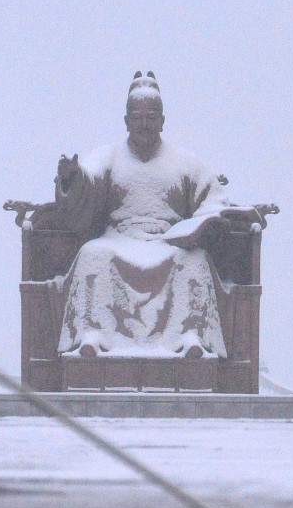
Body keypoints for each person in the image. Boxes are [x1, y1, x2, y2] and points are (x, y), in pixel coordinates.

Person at [54, 71, 233, 360]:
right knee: (92, 254)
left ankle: (191, 338)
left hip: (169, 241)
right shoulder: (109, 156)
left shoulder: (185, 162)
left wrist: (205, 223)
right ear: (126, 120)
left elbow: (213, 198)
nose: (145, 124)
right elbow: (85, 184)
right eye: (138, 117)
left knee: (195, 260)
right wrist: (71, 178)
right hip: (119, 238)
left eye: (152, 117)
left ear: (162, 120)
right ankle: (93, 336)